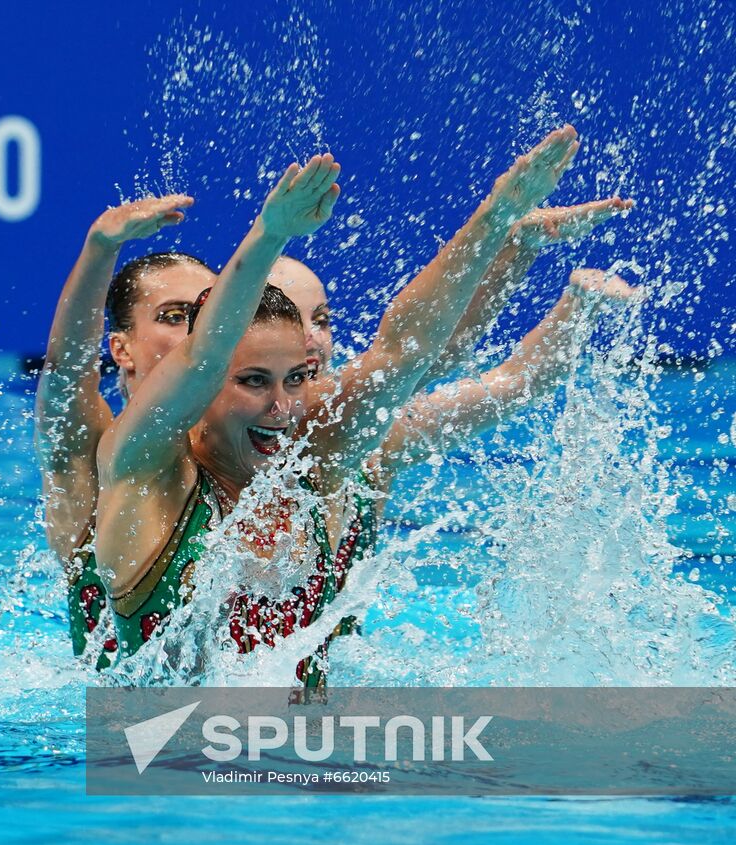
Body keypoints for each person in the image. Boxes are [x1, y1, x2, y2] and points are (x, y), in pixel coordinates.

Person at [47, 127, 581, 676]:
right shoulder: (142, 470)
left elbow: (406, 356)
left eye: (296, 378)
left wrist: (494, 222)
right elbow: (167, 364)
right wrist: (268, 233)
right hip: (163, 755)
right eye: (254, 382)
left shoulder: (317, 459)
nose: (282, 407)